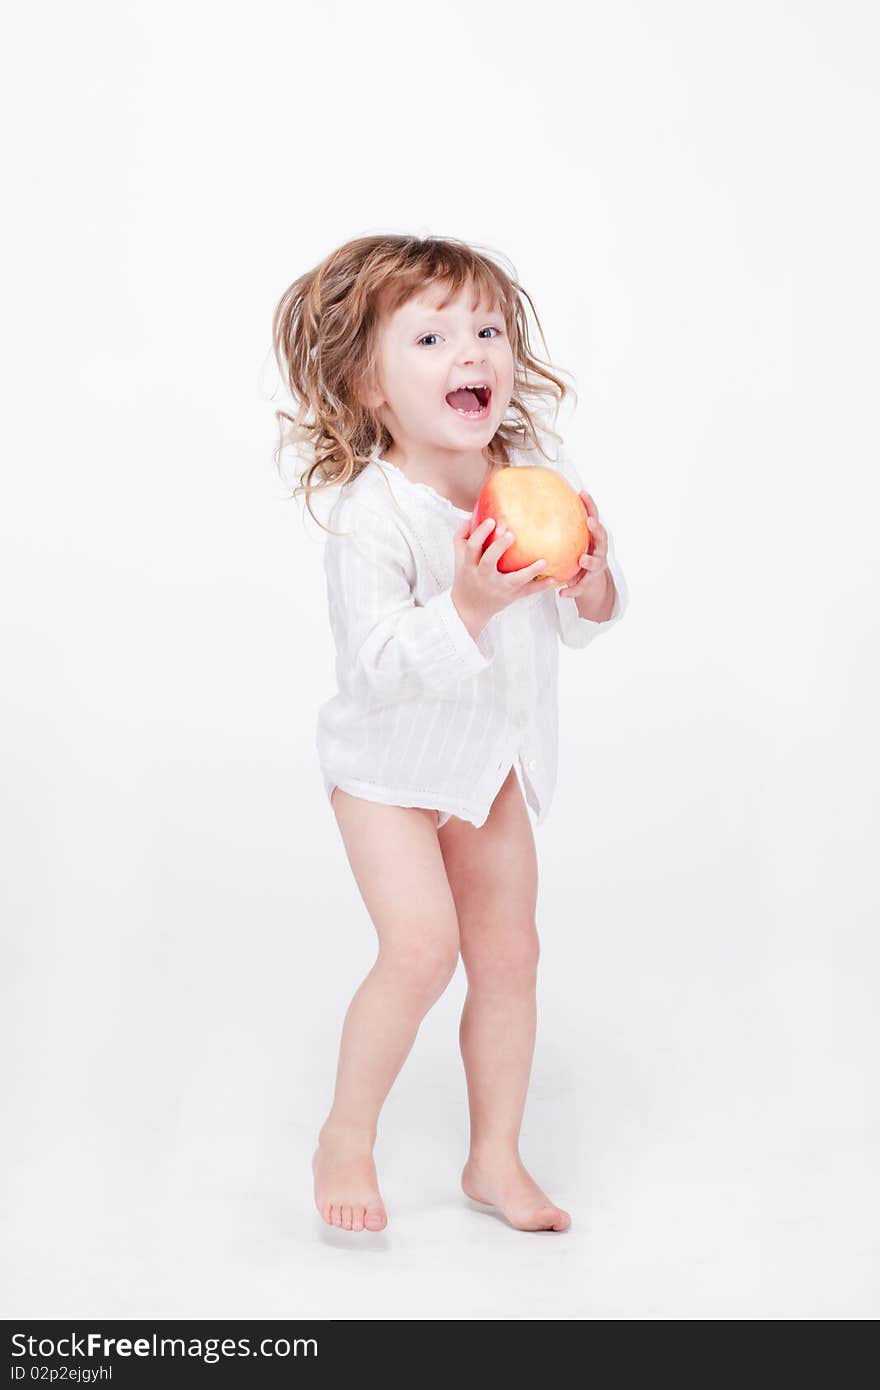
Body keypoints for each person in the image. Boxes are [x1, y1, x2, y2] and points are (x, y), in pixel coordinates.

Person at [271, 233, 629, 1233]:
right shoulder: (371, 515)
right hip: (386, 771)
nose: (469, 351)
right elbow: (376, 670)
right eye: (429, 336)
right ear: (369, 384)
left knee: (510, 952)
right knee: (422, 948)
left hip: (487, 763)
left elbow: (584, 617)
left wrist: (590, 575)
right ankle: (346, 1133)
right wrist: (467, 605)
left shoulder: (528, 480)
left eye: (486, 329)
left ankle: (494, 1158)